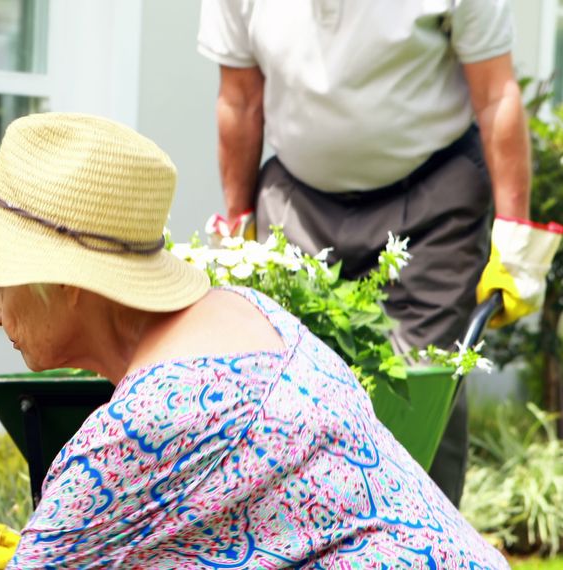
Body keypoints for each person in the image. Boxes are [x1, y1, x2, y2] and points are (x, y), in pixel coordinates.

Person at [0, 112, 507, 568]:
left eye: (1, 280)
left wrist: (55, 545)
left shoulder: (125, 439)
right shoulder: (253, 315)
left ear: (67, 280)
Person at [197, 0, 562, 507]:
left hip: (432, 201)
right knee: (290, 399)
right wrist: (238, 225)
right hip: (296, 199)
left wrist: (515, 236)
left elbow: (496, 94)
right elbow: (239, 99)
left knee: (414, 400)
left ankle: (428, 551)